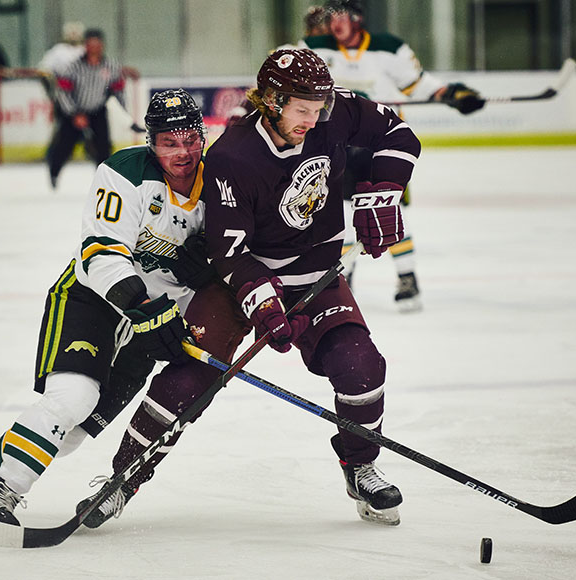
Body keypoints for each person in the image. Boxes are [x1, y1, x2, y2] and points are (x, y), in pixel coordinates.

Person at [0, 89, 248, 538]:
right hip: (92, 300)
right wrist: (146, 306)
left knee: (73, 433)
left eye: (190, 140)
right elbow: (100, 253)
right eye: (168, 143)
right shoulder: (125, 172)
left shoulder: (219, 186)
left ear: (203, 136)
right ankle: (4, 492)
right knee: (71, 400)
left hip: (149, 326)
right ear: (151, 142)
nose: (182, 153)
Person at [202, 48, 420, 526]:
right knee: (189, 376)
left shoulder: (328, 113)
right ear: (272, 101)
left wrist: (382, 189)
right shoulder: (233, 154)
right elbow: (227, 252)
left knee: (362, 368)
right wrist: (261, 298)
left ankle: (361, 466)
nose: (315, 118)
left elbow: (399, 132)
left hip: (319, 277)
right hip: (248, 282)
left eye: (319, 107)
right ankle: (128, 473)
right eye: (303, 109)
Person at [305, 0, 485, 312]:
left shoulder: (389, 47)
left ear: (357, 18)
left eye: (342, 16)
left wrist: (454, 94)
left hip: (382, 145)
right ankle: (344, 280)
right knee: (342, 217)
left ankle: (407, 277)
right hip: (337, 149)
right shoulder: (316, 47)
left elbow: (420, 85)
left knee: (387, 210)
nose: (335, 24)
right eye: (331, 17)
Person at [47, 28, 130, 189]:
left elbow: (118, 90)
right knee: (64, 146)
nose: (94, 48)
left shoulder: (111, 66)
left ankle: (104, 180)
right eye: (90, 44)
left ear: (102, 46)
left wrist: (123, 112)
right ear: (85, 46)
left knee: (103, 148)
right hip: (74, 113)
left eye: (97, 44)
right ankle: (54, 172)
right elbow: (63, 92)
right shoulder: (73, 66)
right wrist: (74, 113)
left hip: (98, 112)